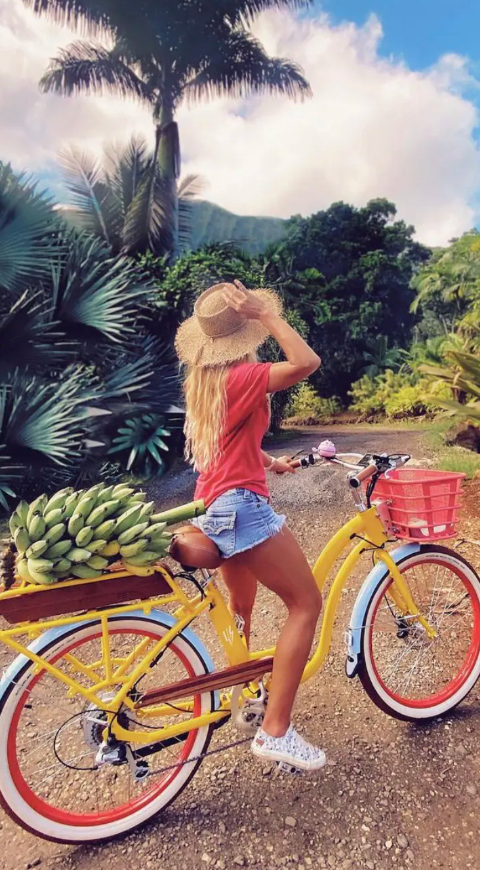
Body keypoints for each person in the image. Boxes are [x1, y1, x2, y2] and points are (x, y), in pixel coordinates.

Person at [173, 280, 326, 772]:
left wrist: (267, 462)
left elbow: (225, 443)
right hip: (240, 508)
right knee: (305, 604)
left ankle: (249, 693)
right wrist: (267, 314)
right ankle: (275, 731)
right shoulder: (243, 377)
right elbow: (306, 363)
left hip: (211, 506)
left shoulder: (204, 381)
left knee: (241, 610)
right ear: (241, 335)